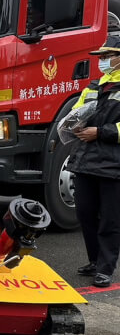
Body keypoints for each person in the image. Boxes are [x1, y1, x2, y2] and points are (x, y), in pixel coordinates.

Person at [68, 34, 120, 287]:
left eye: (108, 56)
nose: (103, 61)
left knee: (110, 219)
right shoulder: (94, 86)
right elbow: (77, 111)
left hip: (113, 165)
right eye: (101, 57)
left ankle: (105, 268)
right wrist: (72, 126)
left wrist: (101, 132)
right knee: (86, 214)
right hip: (85, 160)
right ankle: (94, 260)